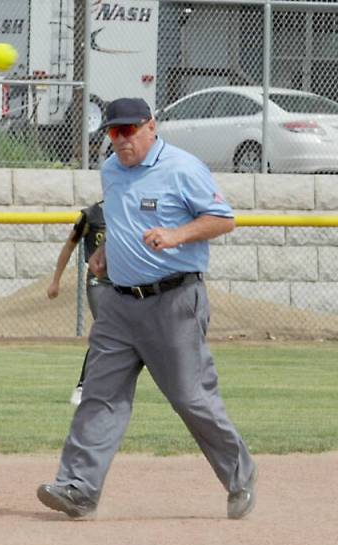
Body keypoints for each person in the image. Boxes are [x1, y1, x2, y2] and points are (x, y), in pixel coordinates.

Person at [37, 97, 257, 521]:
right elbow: (121, 222)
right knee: (99, 396)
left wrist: (177, 235)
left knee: (191, 398)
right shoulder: (111, 170)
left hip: (174, 302)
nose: (121, 140)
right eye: (113, 132)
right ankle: (78, 488)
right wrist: (106, 255)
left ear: (151, 127)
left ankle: (240, 476)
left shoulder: (183, 167)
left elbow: (222, 219)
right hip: (119, 303)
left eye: (129, 130)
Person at [47, 200, 109, 406]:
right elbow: (69, 246)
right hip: (99, 281)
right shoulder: (90, 215)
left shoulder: (129, 210)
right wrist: (56, 280)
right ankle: (83, 386)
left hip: (126, 283)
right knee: (105, 328)